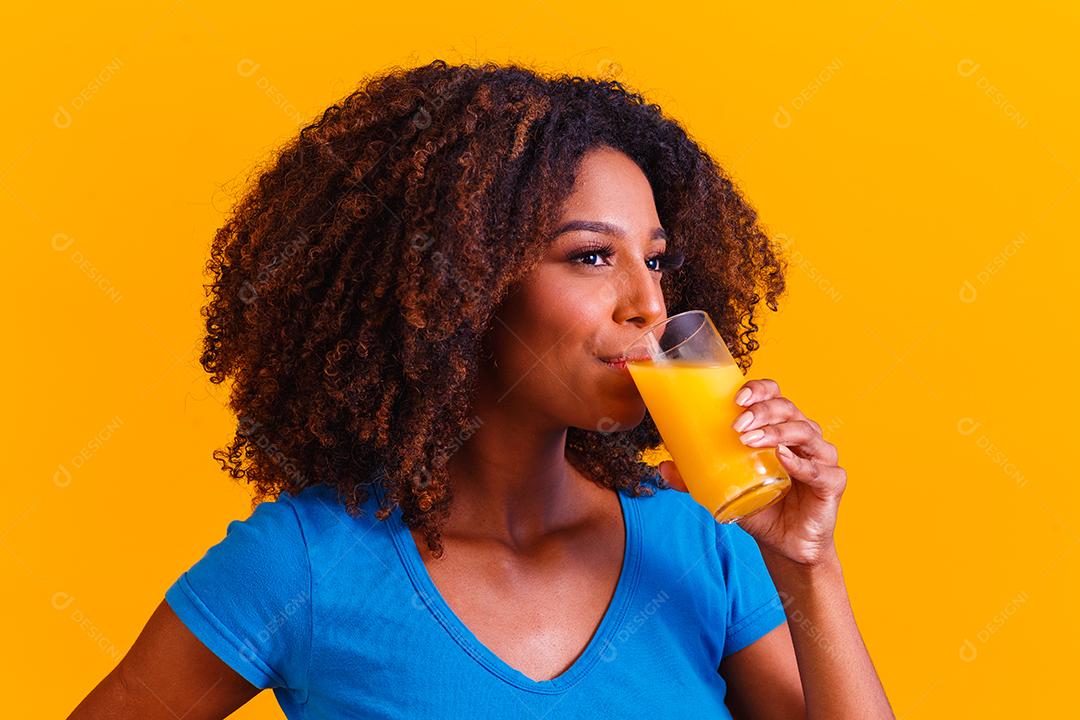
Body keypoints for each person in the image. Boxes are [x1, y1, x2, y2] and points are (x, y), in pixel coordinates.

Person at [69, 59, 893, 719]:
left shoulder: (703, 542)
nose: (648, 303)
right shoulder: (305, 567)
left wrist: (807, 567)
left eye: (657, 258)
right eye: (592, 256)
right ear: (462, 285)